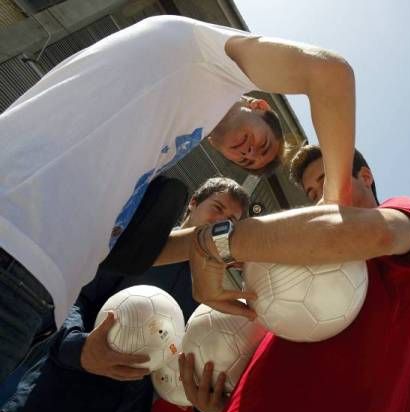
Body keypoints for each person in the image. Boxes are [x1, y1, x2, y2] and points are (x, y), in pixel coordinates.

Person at [0, 14, 356, 381]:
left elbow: (132, 253)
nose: (249, 152)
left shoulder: (161, 139)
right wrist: (334, 208)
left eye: (248, 160)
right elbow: (329, 72)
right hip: (15, 242)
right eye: (260, 142)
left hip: (35, 295)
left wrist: (214, 248)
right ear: (259, 106)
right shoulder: (207, 57)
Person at [173, 145, 410, 412]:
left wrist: (221, 244)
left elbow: (384, 234)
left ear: (366, 176)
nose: (321, 199)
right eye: (312, 194)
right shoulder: (298, 275)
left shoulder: (402, 222)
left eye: (327, 181)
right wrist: (222, 406)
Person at [0, 177, 249, 412]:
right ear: (194, 203)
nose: (220, 223)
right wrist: (81, 348)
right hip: (52, 400)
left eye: (230, 222)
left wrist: (208, 410)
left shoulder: (213, 300)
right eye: (217, 209)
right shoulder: (135, 245)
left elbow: (193, 369)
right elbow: (73, 298)